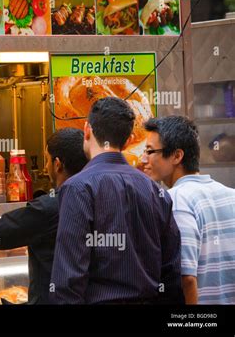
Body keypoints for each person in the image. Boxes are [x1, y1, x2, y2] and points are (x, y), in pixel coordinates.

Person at [50, 97, 184, 304]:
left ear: (87, 130)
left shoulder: (78, 188)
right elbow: (172, 271)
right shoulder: (154, 191)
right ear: (129, 140)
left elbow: (68, 278)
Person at [0, 128, 88, 304]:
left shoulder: (49, 208)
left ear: (57, 164)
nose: (45, 167)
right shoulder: (97, 198)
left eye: (46, 160)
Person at [143, 116, 235, 304]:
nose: (144, 159)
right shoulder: (231, 195)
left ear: (177, 156)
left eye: (150, 151)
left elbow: (186, 277)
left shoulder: (176, 200)